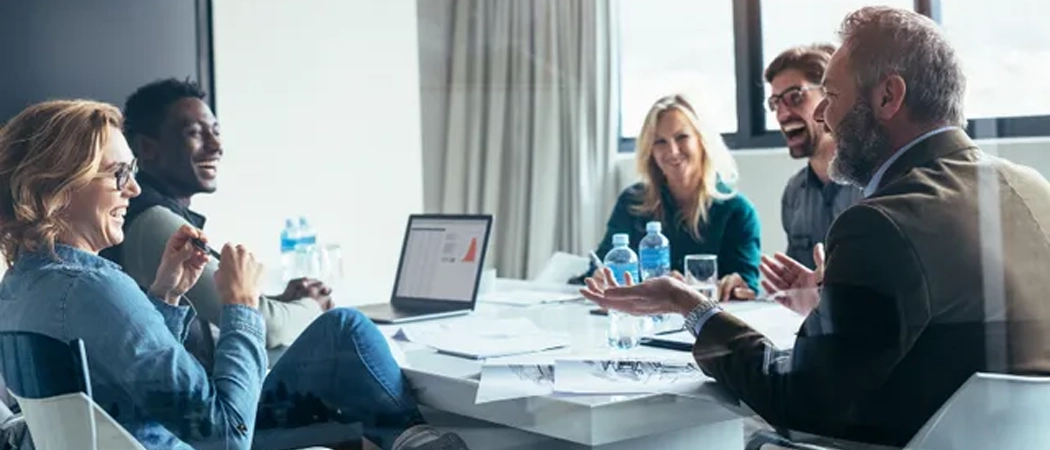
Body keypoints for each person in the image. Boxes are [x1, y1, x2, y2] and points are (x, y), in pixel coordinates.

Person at [579, 6, 1050, 447]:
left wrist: (693, 308)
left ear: (888, 96)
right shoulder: (1034, 189)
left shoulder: (881, 223)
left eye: (834, 96)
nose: (823, 116)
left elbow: (798, 399)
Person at [0, 100, 466, 450]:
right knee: (346, 328)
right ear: (56, 188)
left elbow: (121, 395)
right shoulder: (92, 287)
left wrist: (164, 295)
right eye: (118, 174)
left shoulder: (22, 285)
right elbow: (226, 435)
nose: (135, 188)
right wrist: (241, 307)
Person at [99, 79, 329, 355]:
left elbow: (231, 306)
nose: (216, 145)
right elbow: (266, 327)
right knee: (348, 325)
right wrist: (313, 304)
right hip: (194, 395)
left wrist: (280, 301)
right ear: (147, 148)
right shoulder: (153, 222)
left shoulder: (159, 214)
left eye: (216, 131)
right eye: (195, 133)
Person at [583, 94, 761, 301]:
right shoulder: (632, 202)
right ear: (650, 152)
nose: (673, 151)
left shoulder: (738, 212)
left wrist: (735, 285)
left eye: (682, 137)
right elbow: (601, 266)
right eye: (660, 142)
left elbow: (747, 284)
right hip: (641, 319)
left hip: (708, 325)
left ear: (702, 141)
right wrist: (604, 278)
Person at [765, 43, 862, 269]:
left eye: (795, 97)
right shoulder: (794, 193)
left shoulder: (874, 184)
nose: (782, 114)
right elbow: (799, 285)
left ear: (831, 97)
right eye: (775, 103)